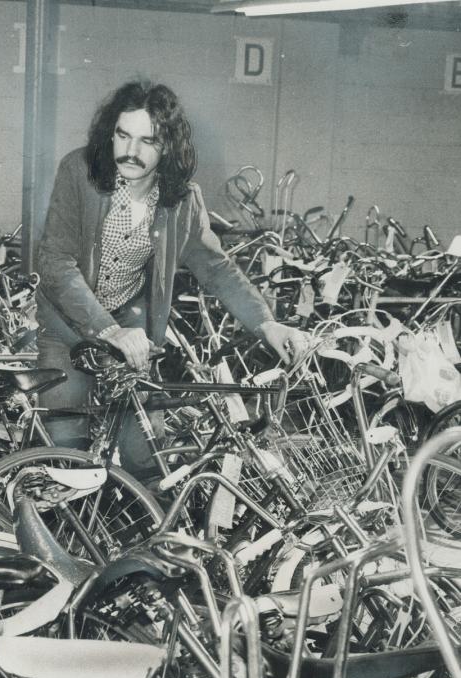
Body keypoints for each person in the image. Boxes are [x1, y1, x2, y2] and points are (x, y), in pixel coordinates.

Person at [35, 79, 306, 476]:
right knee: (66, 446)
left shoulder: (181, 199)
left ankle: (132, 531)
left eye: (147, 141)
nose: (130, 151)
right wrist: (106, 331)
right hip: (68, 325)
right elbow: (56, 263)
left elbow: (215, 267)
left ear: (167, 147)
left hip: (132, 327)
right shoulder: (79, 171)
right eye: (123, 135)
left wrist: (266, 324)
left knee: (147, 452)